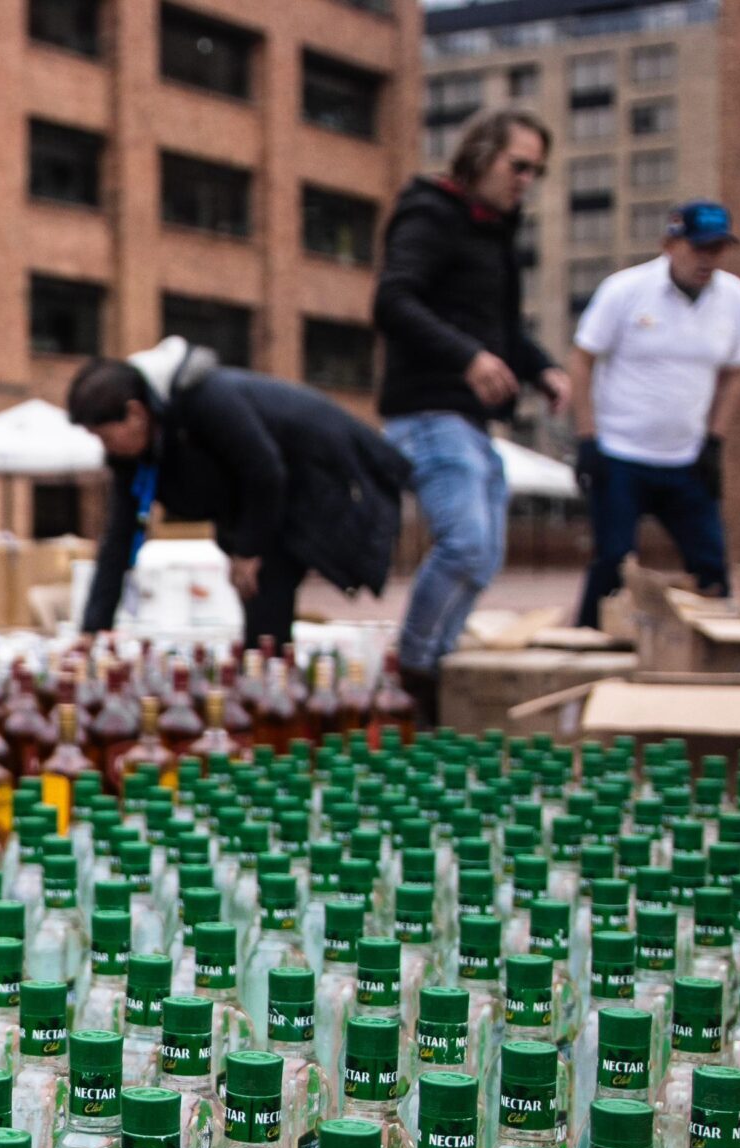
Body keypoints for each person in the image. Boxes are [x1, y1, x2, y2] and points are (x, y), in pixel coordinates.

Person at [373, 109, 570, 727]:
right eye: (518, 166)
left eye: (536, 172)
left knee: (485, 559)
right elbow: (391, 300)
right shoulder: (430, 213)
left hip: (472, 421)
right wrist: (467, 357)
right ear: (482, 155)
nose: (526, 181)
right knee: (465, 545)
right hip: (427, 411)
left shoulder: (496, 235)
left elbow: (503, 331)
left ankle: (439, 671)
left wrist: (544, 370)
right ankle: (412, 674)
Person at [69, 337, 412, 648]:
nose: (105, 447)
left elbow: (263, 470)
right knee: (260, 610)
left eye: (105, 436)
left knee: (263, 600)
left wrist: (248, 549)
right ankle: (266, 675)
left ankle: (271, 683)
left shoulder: (205, 398)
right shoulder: (136, 457)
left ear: (135, 413)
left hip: (320, 480)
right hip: (262, 508)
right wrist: (92, 629)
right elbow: (119, 537)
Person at [568, 202, 740, 628]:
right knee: (613, 562)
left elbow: (735, 372)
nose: (708, 260)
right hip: (620, 455)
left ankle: (711, 651)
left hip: (686, 460)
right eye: (699, 248)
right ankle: (588, 644)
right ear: (670, 245)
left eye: (718, 249)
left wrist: (715, 441)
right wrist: (587, 439)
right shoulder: (625, 290)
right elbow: (581, 360)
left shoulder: (734, 297)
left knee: (710, 566)